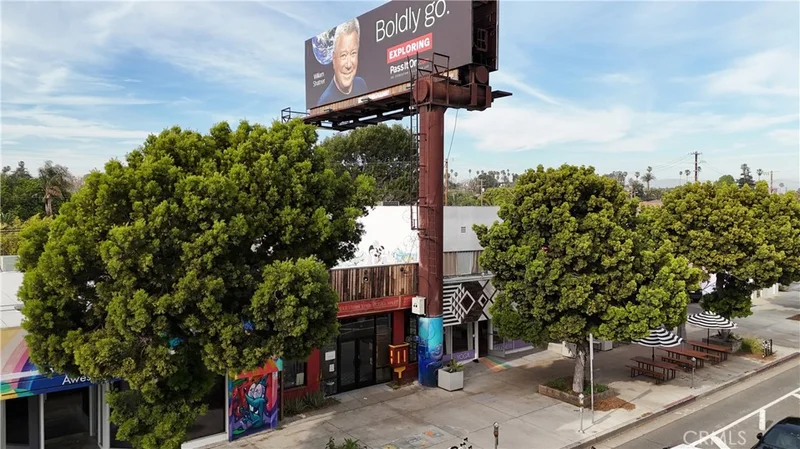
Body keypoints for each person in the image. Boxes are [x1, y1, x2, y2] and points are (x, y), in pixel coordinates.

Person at [317, 18, 368, 106]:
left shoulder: (360, 84)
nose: (348, 65)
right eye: (343, 55)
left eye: (353, 53)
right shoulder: (325, 102)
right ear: (334, 59)